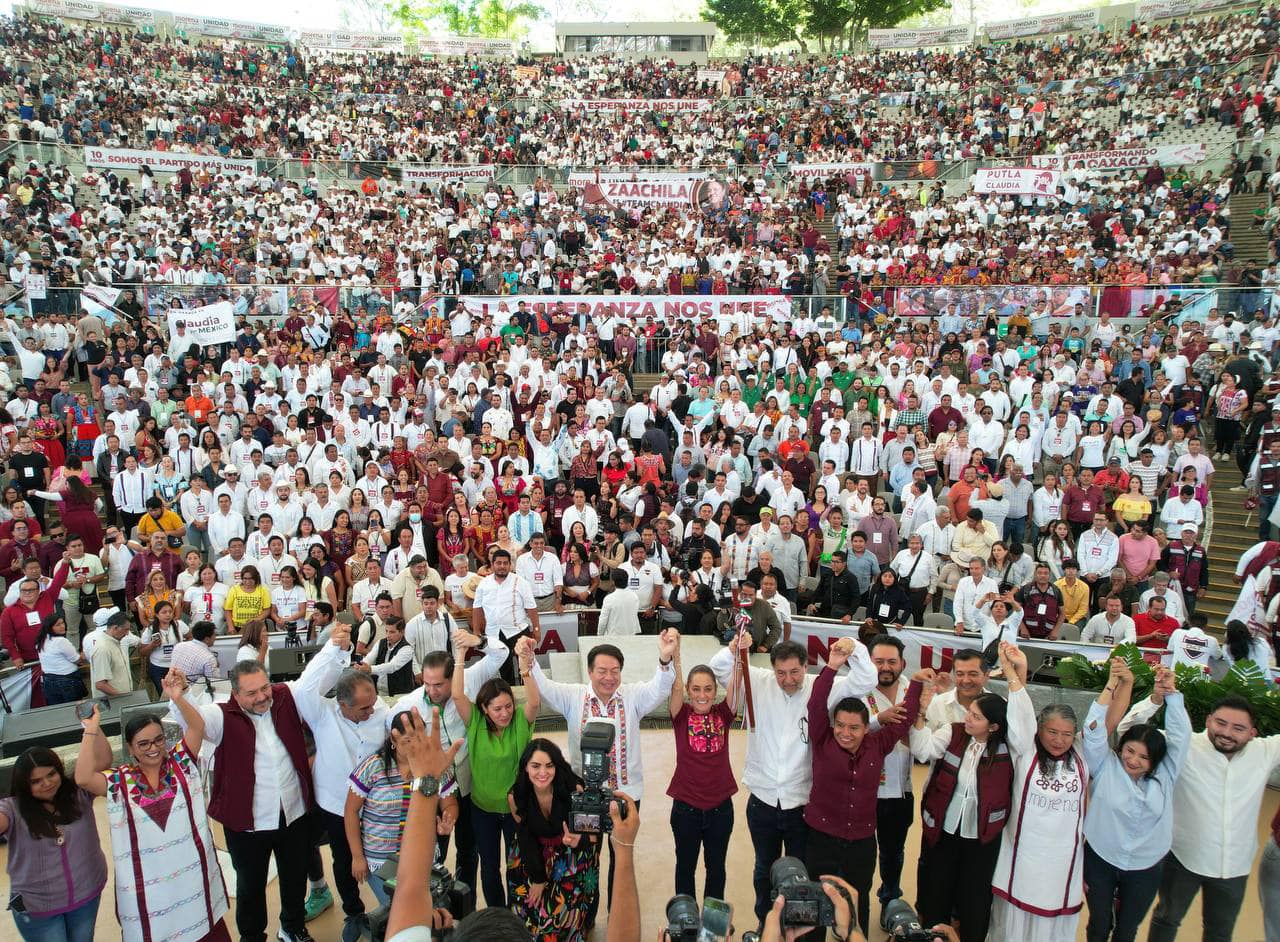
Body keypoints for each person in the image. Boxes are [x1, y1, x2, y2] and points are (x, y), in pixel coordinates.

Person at [169, 622, 361, 942]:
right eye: (252, 693)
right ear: (235, 693)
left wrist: (336, 647)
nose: (262, 697)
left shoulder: (285, 697)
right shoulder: (221, 716)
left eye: (264, 688)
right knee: (250, 886)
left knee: (294, 877)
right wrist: (179, 698)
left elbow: (314, 676)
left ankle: (292, 928)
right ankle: (253, 936)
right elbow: (195, 723)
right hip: (247, 822)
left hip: (293, 813)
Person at [709, 636, 876, 926]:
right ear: (772, 668)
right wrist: (735, 648)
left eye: (795, 672)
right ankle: (766, 921)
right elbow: (718, 667)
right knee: (764, 867)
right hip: (762, 799)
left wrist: (853, 646)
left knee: (801, 871)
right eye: (781, 673)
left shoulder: (822, 686)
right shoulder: (757, 682)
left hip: (802, 803)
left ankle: (797, 924)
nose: (788, 679)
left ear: (806, 667)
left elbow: (865, 679)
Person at [525, 631, 679, 915]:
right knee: (587, 860)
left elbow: (660, 686)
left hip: (625, 794)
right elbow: (544, 687)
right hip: (585, 798)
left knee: (622, 859)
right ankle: (587, 916)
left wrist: (665, 657)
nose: (609, 677)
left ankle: (617, 916)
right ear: (589, 671)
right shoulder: (574, 696)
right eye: (602, 671)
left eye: (615, 671)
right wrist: (530, 658)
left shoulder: (632, 696)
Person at [75, 670, 230, 942]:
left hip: (192, 879)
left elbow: (197, 728)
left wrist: (177, 697)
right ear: (131, 748)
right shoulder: (120, 781)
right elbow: (84, 777)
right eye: (143, 743)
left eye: (158, 739)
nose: (153, 748)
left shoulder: (181, 763)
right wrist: (91, 728)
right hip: (150, 893)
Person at [1121, 688, 1280, 942]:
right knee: (1167, 919)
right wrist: (1155, 700)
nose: (1226, 733)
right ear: (1208, 721)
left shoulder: (1265, 751)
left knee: (1220, 931)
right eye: (1220, 723)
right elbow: (1127, 732)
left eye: (1238, 728)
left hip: (1234, 865)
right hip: (1183, 858)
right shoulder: (1183, 746)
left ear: (1253, 733)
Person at [804, 635, 928, 935]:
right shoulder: (822, 741)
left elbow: (906, 717)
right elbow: (817, 702)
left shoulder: (878, 744)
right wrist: (832, 667)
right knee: (817, 905)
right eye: (841, 726)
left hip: (861, 842)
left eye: (854, 728)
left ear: (866, 727)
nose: (846, 733)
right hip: (820, 837)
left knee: (857, 902)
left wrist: (919, 684)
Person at [988, 642, 1089, 942]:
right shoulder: (1026, 750)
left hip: (1061, 862)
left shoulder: (1083, 754)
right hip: (1023, 856)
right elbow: (1020, 713)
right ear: (1039, 729)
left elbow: (1106, 720)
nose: (1059, 740)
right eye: (1052, 732)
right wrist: (1012, 671)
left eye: (1066, 734)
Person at [1082, 662, 1190, 942]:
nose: (1133, 760)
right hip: (1101, 857)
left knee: (1127, 929)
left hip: (1146, 863)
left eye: (1143, 757)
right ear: (1120, 747)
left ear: (1155, 760)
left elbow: (1181, 738)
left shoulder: (1166, 775)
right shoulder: (1105, 766)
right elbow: (1093, 732)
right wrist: (1110, 685)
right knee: (1098, 923)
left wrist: (1171, 694)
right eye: (1130, 751)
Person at [909, 688, 1011, 941]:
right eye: (969, 712)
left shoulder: (1009, 750)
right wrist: (920, 714)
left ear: (994, 726)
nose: (968, 719)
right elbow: (923, 751)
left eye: (976, 717)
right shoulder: (952, 732)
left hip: (982, 836)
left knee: (974, 898)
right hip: (944, 830)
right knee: (936, 891)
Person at [452, 635, 540, 907]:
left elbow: (535, 702)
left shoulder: (521, 722)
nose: (505, 713)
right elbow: (457, 694)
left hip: (518, 810)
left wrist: (525, 666)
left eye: (509, 706)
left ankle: (518, 911)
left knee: (518, 865)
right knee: (489, 867)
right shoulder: (475, 723)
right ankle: (496, 914)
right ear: (484, 709)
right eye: (497, 709)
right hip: (483, 810)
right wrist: (460, 656)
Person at [345, 710, 461, 907]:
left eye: (419, 740)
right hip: (381, 860)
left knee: (425, 909)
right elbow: (351, 811)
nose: (415, 747)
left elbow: (449, 803)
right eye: (408, 741)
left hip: (421, 856)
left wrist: (448, 820)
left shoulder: (435, 766)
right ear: (393, 739)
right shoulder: (374, 766)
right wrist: (357, 856)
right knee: (395, 911)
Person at [0, 747, 107, 942]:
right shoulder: (11, 809)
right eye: (36, 781)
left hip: (86, 896)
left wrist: (90, 726)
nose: (47, 783)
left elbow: (103, 759)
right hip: (36, 907)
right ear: (23, 784)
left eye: (51, 774)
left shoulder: (79, 793)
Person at [667, 636, 741, 903]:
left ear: (715, 691)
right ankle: (685, 921)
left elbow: (737, 682)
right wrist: (676, 656)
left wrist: (738, 654)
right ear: (688, 689)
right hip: (685, 807)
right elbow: (674, 687)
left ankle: (712, 923)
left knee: (716, 868)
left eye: (708, 689)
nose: (702, 695)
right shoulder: (681, 715)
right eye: (696, 689)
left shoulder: (724, 713)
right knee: (685, 868)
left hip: (721, 809)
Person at [507, 738, 600, 940]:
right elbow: (525, 837)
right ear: (525, 768)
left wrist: (578, 841)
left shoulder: (575, 789)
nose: (543, 773)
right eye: (535, 766)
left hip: (571, 852)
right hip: (533, 853)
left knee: (561, 912)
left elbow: (592, 836)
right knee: (527, 907)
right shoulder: (516, 796)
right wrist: (538, 878)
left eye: (549, 766)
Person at [35, 611, 85, 704]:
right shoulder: (61, 641)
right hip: (67, 681)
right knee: (76, 710)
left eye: (62, 623)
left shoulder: (41, 640)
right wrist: (83, 653)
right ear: (50, 627)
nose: (62, 626)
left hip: (48, 681)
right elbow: (77, 660)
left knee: (58, 711)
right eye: (58, 625)